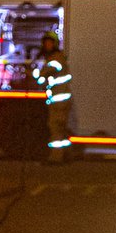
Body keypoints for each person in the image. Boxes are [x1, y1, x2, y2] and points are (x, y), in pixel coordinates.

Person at [33, 29, 73, 162]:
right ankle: (65, 154)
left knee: (55, 127)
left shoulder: (55, 59)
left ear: (54, 44)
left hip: (58, 100)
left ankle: (56, 158)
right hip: (60, 99)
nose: (47, 45)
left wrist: (32, 73)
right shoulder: (58, 57)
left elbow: (42, 76)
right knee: (61, 128)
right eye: (45, 43)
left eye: (49, 43)